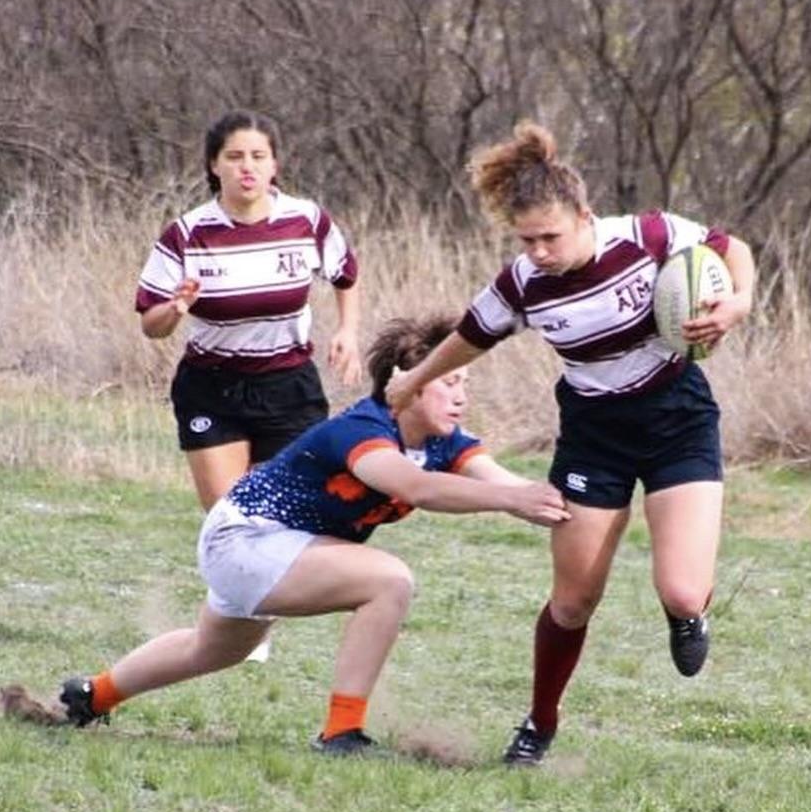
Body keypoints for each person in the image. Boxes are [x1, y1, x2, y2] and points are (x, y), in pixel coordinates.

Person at [385, 121, 755, 765]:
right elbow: (472, 334)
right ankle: (540, 722)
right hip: (594, 435)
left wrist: (738, 304)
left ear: (586, 216)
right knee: (575, 598)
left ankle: (689, 616)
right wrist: (414, 379)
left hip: (678, 418)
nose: (540, 252)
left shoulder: (649, 236)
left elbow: (735, 248)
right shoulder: (523, 283)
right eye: (527, 240)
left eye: (551, 236)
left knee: (682, 591)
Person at [58, 316, 570, 754]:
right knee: (388, 582)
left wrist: (562, 504)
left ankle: (92, 695)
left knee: (213, 649)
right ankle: (341, 732)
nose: (462, 396)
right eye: (448, 382)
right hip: (245, 540)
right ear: (407, 382)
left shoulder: (443, 442)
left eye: (463, 382)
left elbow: (508, 485)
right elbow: (417, 488)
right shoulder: (365, 429)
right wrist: (513, 500)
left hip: (275, 550)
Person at [137, 109, 363, 512]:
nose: (247, 167)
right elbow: (151, 326)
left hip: (288, 386)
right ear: (214, 164)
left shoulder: (306, 220)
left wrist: (348, 332)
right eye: (235, 156)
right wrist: (175, 308)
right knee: (232, 519)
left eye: (258, 157)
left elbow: (346, 275)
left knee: (285, 515)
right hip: (213, 388)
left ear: (274, 165)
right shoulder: (187, 234)